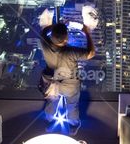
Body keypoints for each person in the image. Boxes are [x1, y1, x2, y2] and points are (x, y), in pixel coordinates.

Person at [39, 8, 97, 136]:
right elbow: (91, 53)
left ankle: (49, 123)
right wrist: (87, 33)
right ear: (66, 39)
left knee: (51, 103)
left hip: (52, 83)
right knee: (72, 105)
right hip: (70, 85)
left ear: (52, 36)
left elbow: (44, 31)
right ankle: (73, 126)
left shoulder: (44, 44)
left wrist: (57, 27)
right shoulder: (71, 52)